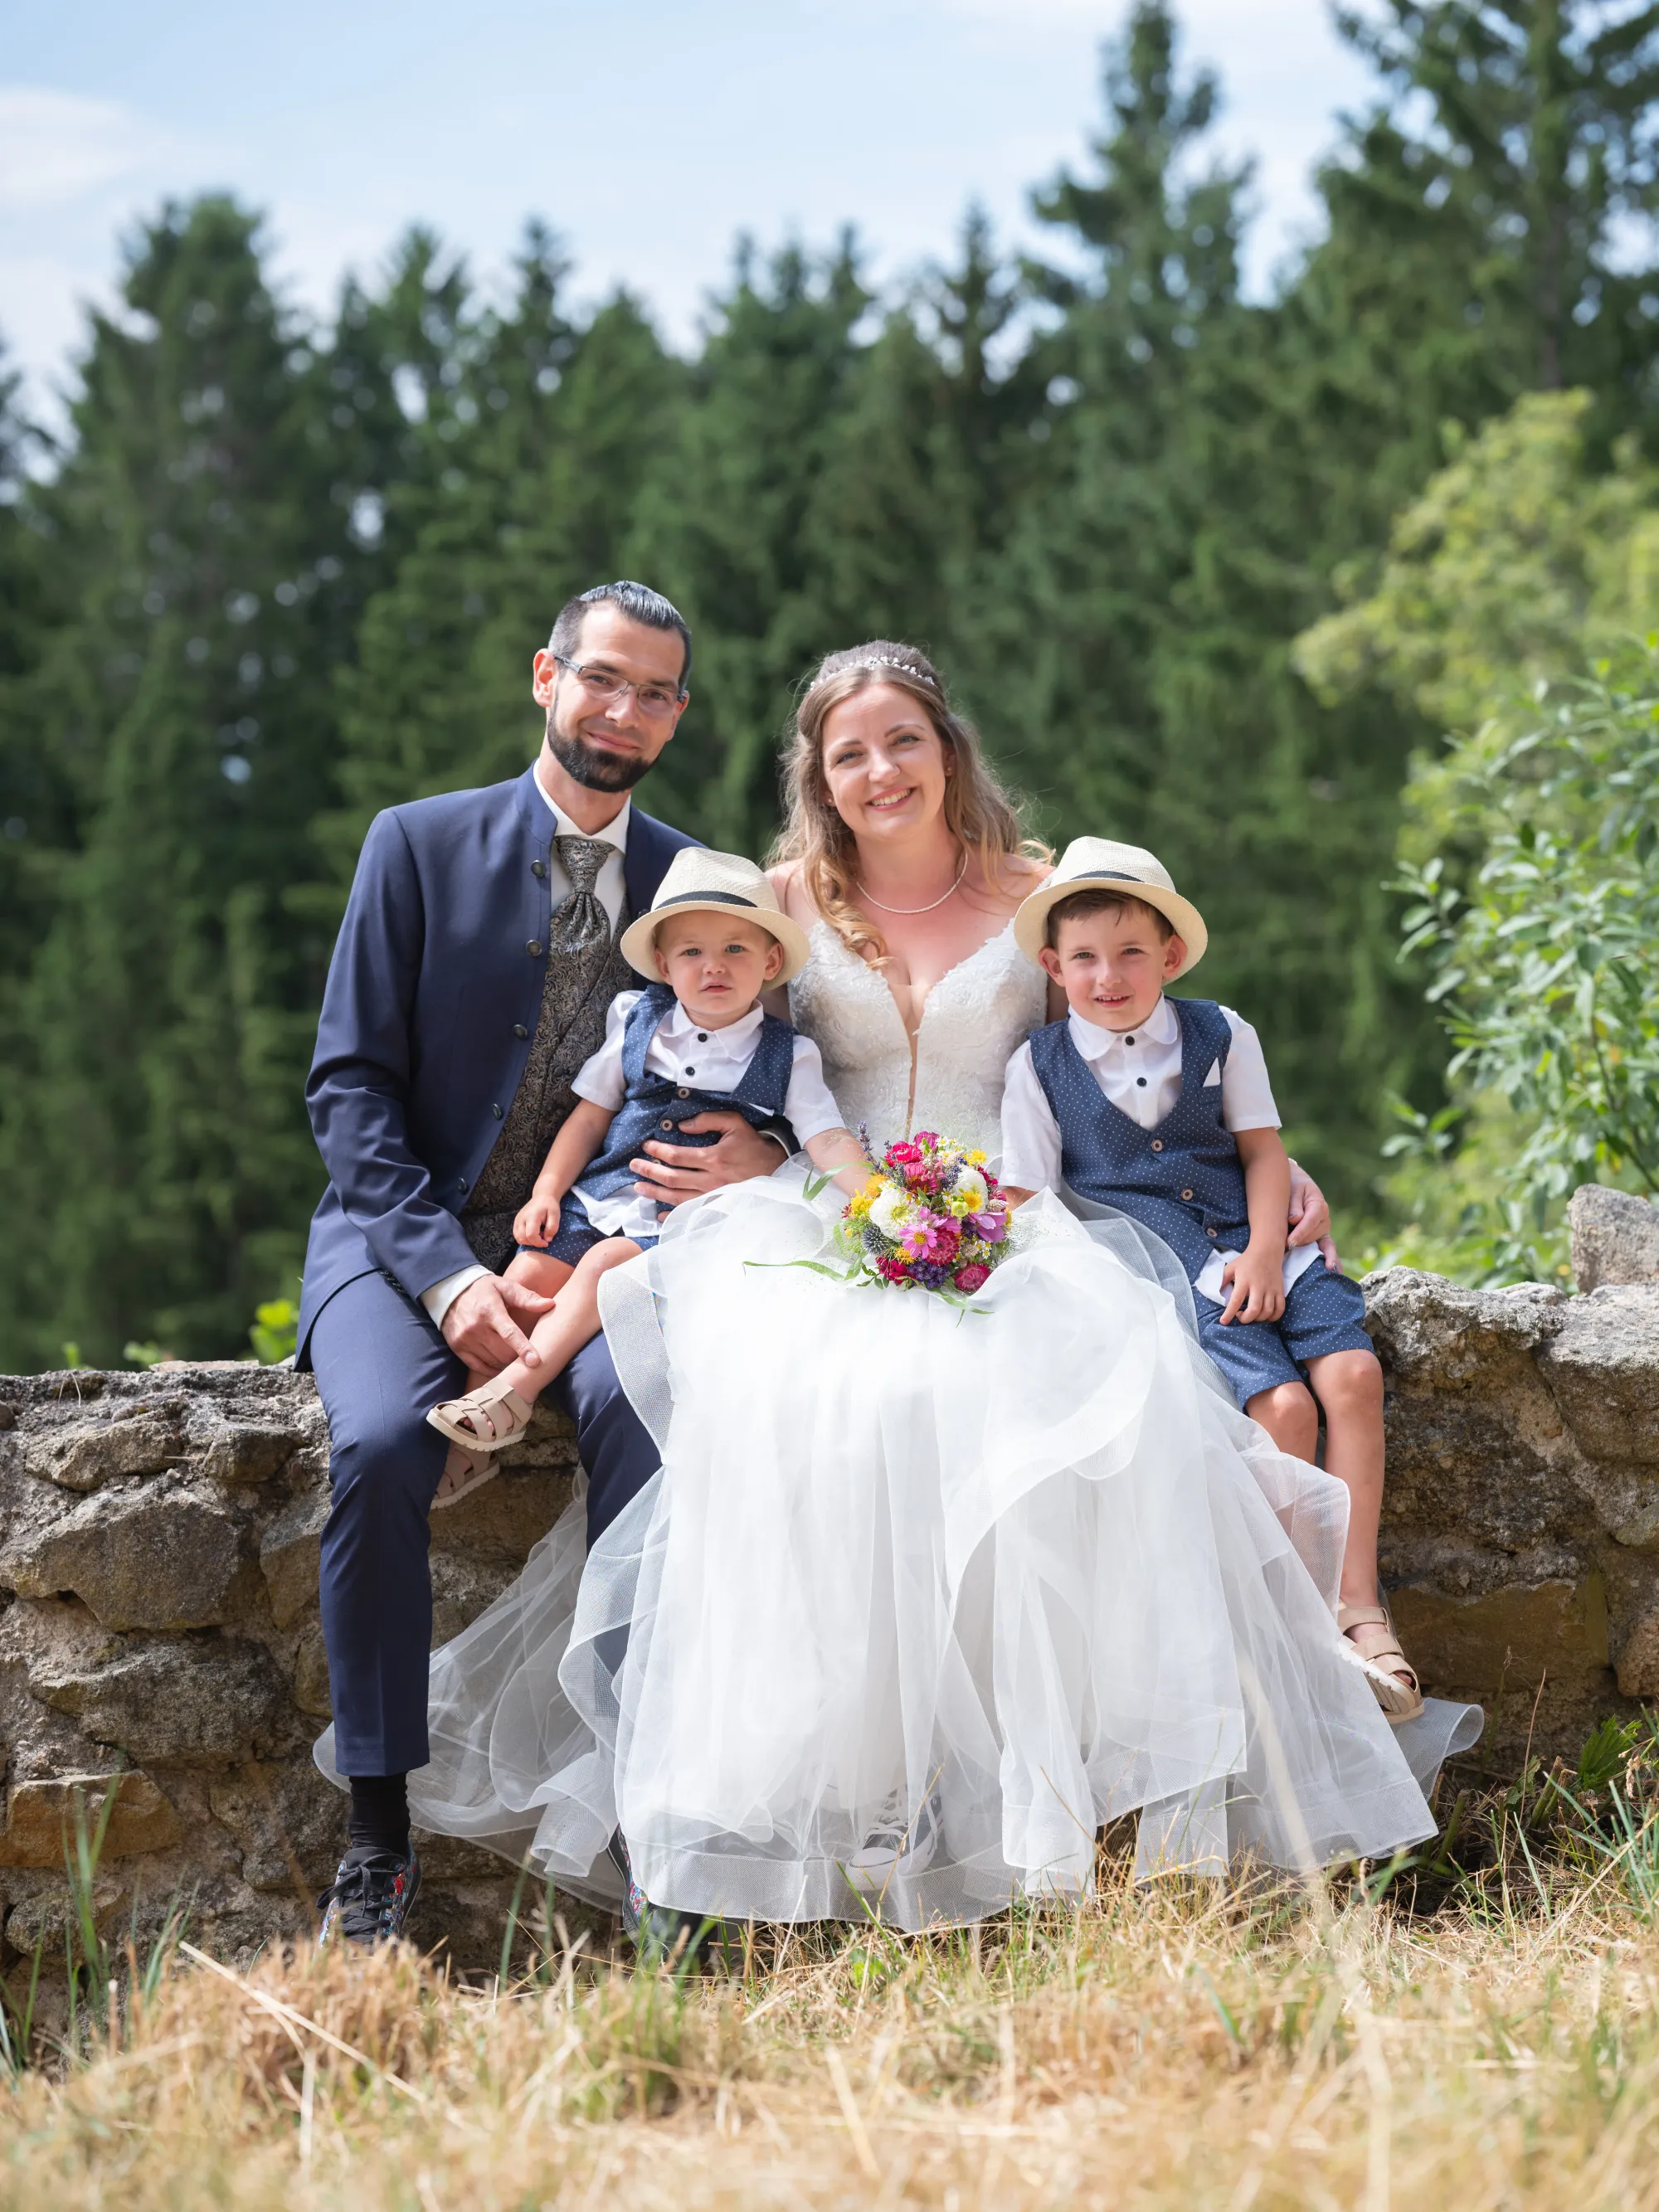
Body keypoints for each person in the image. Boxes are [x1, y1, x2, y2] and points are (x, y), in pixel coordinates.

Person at [364, 639, 1478, 1942]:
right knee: (825, 1415)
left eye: (903, 739)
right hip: (824, 1218)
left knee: (1063, 1424)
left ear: (948, 747)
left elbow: (1155, 1035)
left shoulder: (1047, 889)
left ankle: (1046, 1823)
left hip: (1016, 1218)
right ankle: (841, 1820)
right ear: (819, 779)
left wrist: (1280, 1178)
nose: (880, 769)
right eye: (849, 753)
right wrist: (768, 1152)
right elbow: (721, 1070)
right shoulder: (776, 902)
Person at [304, 581, 792, 1951]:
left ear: (680, 716)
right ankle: (378, 1838)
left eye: (656, 693)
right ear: (546, 677)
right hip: (398, 1237)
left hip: (621, 1251)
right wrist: (453, 1283)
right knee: (387, 1443)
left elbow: (774, 1083)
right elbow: (345, 1091)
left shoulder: (707, 890)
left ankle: (664, 1833)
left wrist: (762, 1163)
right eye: (604, 680)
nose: (626, 711)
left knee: (666, 1443)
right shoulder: (413, 844)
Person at [998, 839, 1421, 1722]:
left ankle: (1359, 1606)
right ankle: (1291, 1629)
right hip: (1171, 1266)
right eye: (1082, 958)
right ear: (1051, 965)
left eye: (1129, 954)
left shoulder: (1220, 1031)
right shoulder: (1038, 1067)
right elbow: (1029, 1199)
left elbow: (1262, 1152)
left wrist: (1269, 1250)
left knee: (1351, 1376)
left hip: (1262, 1240)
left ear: (1170, 957)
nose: (1107, 976)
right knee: (1282, 1410)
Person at [423, 849, 866, 1473]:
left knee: (605, 1265)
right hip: (601, 1198)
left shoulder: (788, 1056)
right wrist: (547, 1193)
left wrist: (876, 1201)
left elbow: (827, 1138)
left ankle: (516, 1392)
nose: (713, 966)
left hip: (681, 1225)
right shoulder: (636, 1021)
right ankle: (473, 1429)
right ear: (663, 964)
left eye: (736, 950)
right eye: (692, 952)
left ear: (770, 962)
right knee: (522, 1282)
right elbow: (589, 1116)